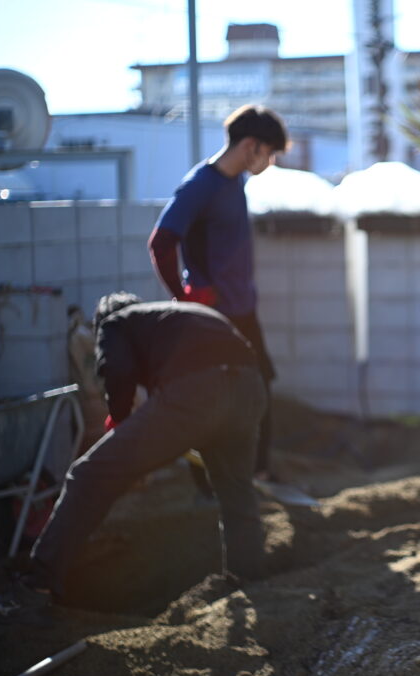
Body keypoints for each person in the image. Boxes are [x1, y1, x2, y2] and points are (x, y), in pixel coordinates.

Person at [0, 293, 267, 624]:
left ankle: (34, 590)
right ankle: (251, 583)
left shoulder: (116, 322)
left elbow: (118, 370)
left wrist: (119, 423)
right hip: (249, 389)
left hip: (197, 392)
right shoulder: (175, 315)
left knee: (88, 475)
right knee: (236, 492)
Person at [149, 104, 289, 480]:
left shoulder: (234, 182)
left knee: (259, 388)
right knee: (210, 400)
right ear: (250, 146)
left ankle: (257, 475)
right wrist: (183, 296)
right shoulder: (200, 185)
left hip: (244, 310)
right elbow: (161, 242)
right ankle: (209, 484)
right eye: (269, 152)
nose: (270, 161)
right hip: (214, 315)